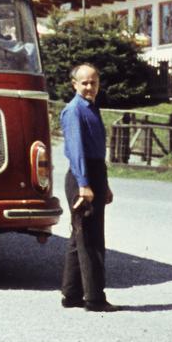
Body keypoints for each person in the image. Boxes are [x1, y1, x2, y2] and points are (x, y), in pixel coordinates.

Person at [60, 62, 117, 312]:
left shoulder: (92, 108)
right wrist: (84, 184)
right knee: (91, 239)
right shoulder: (74, 111)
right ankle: (94, 299)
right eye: (84, 83)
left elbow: (95, 151)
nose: (89, 87)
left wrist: (103, 185)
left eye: (93, 82)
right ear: (74, 84)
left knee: (79, 236)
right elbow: (76, 151)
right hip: (81, 176)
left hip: (94, 174)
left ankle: (71, 295)